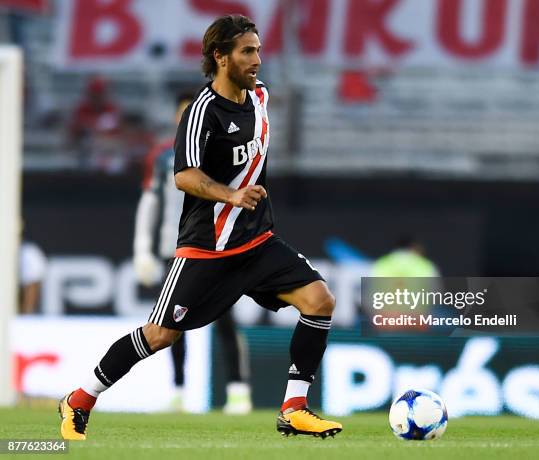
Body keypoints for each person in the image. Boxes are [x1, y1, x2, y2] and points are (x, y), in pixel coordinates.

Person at [59, 14, 342, 440]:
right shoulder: (201, 112)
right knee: (159, 336)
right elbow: (184, 176)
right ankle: (79, 400)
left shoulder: (260, 97)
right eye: (247, 51)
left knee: (319, 300)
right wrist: (230, 195)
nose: (257, 60)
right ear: (220, 56)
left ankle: (294, 408)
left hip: (257, 240)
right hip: (207, 248)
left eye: (259, 50)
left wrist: (244, 201)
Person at [133, 92, 252, 414]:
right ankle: (178, 390)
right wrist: (142, 247)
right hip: (177, 247)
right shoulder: (162, 156)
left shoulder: (224, 151)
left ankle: (239, 390)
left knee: (225, 317)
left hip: (218, 245)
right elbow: (150, 201)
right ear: (177, 119)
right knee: (172, 323)